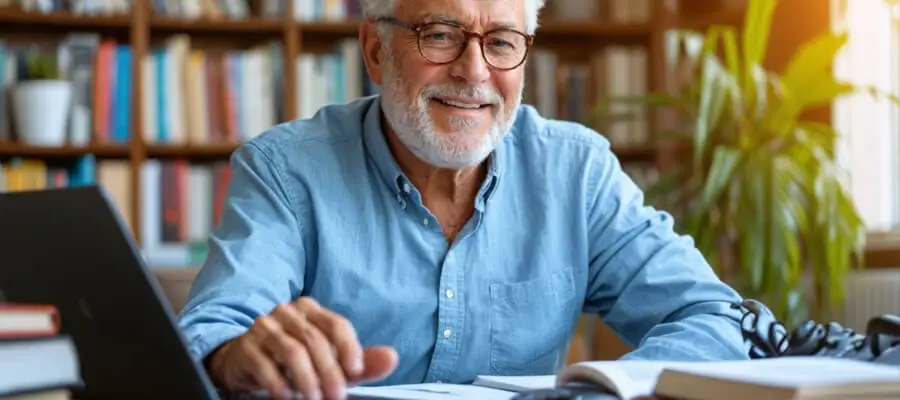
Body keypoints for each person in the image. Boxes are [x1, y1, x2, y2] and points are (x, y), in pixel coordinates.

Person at [177, 0, 753, 398]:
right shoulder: (286, 169)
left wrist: (605, 393)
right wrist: (235, 357)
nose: (474, 72)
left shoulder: (576, 172)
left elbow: (713, 315)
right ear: (376, 50)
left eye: (501, 42)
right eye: (441, 34)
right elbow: (211, 333)